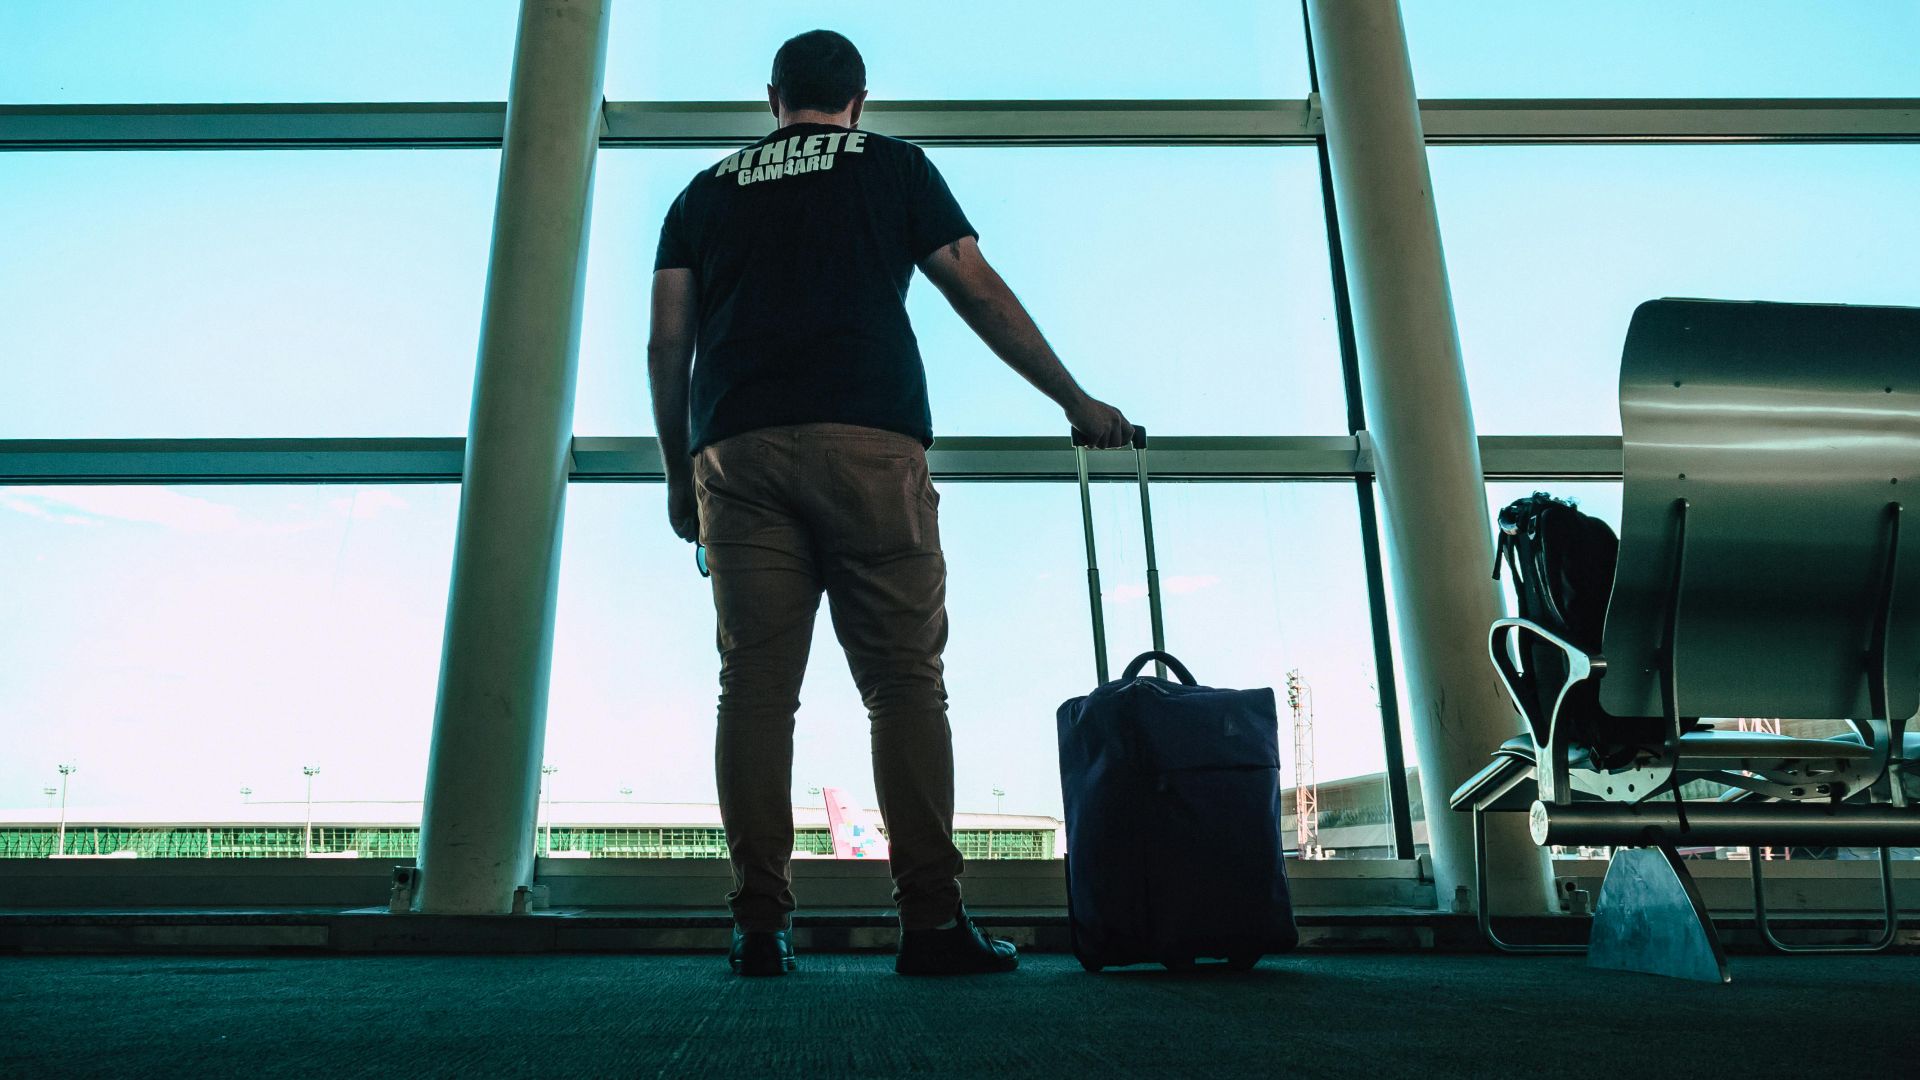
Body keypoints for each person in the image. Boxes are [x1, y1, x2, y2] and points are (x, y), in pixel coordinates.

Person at [647, 29, 1134, 977]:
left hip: (737, 453)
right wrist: (1075, 400)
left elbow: (669, 343)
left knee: (753, 691)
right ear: (858, 100)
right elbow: (977, 291)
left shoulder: (703, 192)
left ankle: (757, 925)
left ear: (772, 98)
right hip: (870, 443)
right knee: (904, 685)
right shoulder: (895, 167)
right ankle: (931, 923)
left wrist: (679, 471)